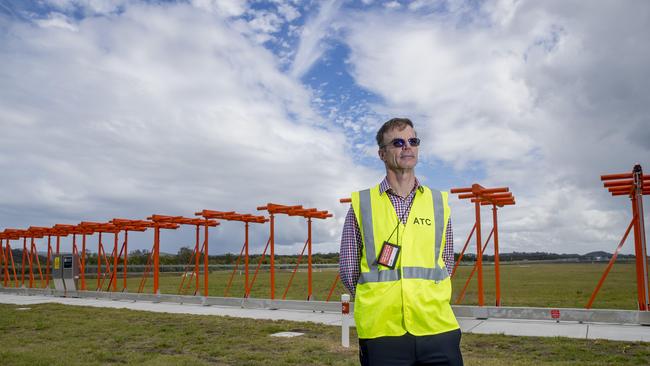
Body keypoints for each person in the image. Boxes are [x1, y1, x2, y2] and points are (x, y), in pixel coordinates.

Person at [339, 118, 463, 366]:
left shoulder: (438, 202)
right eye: (398, 142)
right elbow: (349, 271)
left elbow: (446, 262)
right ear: (382, 154)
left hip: (436, 326)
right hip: (382, 330)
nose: (407, 147)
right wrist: (381, 296)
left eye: (412, 141)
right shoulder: (362, 204)